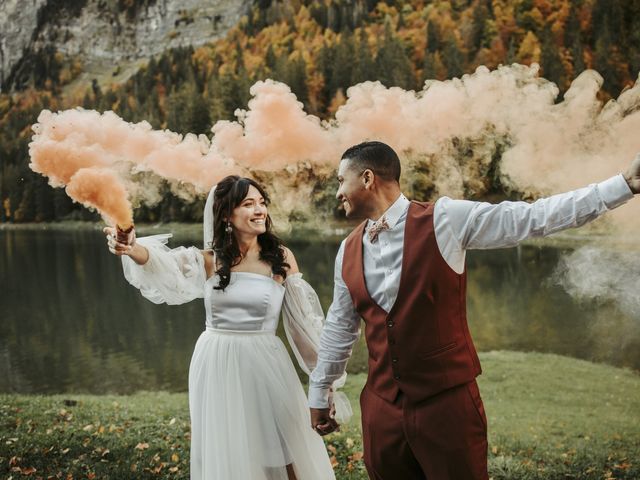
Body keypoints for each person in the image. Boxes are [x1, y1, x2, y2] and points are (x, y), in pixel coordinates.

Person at [308, 141, 640, 480]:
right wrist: (321, 390)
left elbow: (532, 218)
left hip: (446, 406)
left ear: (367, 178)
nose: (337, 192)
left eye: (340, 180)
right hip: (381, 409)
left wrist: (623, 185)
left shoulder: (446, 218)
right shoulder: (347, 250)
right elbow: (340, 327)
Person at [104, 175, 350, 480]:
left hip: (266, 364)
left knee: (286, 453)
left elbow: (303, 327)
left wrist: (325, 385)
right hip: (216, 361)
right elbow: (162, 264)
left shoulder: (281, 258)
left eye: (262, 203)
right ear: (226, 215)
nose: (260, 210)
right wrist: (132, 248)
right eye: (249, 204)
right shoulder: (209, 260)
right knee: (233, 450)